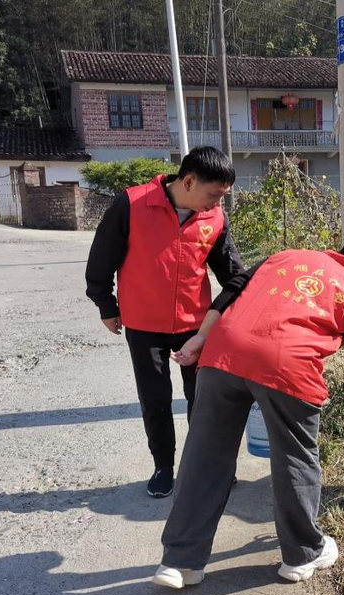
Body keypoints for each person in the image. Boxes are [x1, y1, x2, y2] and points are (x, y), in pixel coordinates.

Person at [151, 237, 344, 588]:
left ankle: (179, 562)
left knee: (203, 457)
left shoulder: (286, 257)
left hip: (223, 351)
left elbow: (232, 289)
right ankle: (302, 554)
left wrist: (201, 337)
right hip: (286, 367)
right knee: (295, 457)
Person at [85, 147, 245, 498]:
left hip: (195, 325)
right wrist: (106, 304)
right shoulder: (132, 204)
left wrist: (236, 309)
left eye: (222, 196)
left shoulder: (214, 218)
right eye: (214, 194)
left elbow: (233, 274)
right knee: (155, 399)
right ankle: (163, 466)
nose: (218, 203)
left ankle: (206, 465)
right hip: (144, 324)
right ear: (188, 182)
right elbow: (101, 258)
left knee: (203, 400)